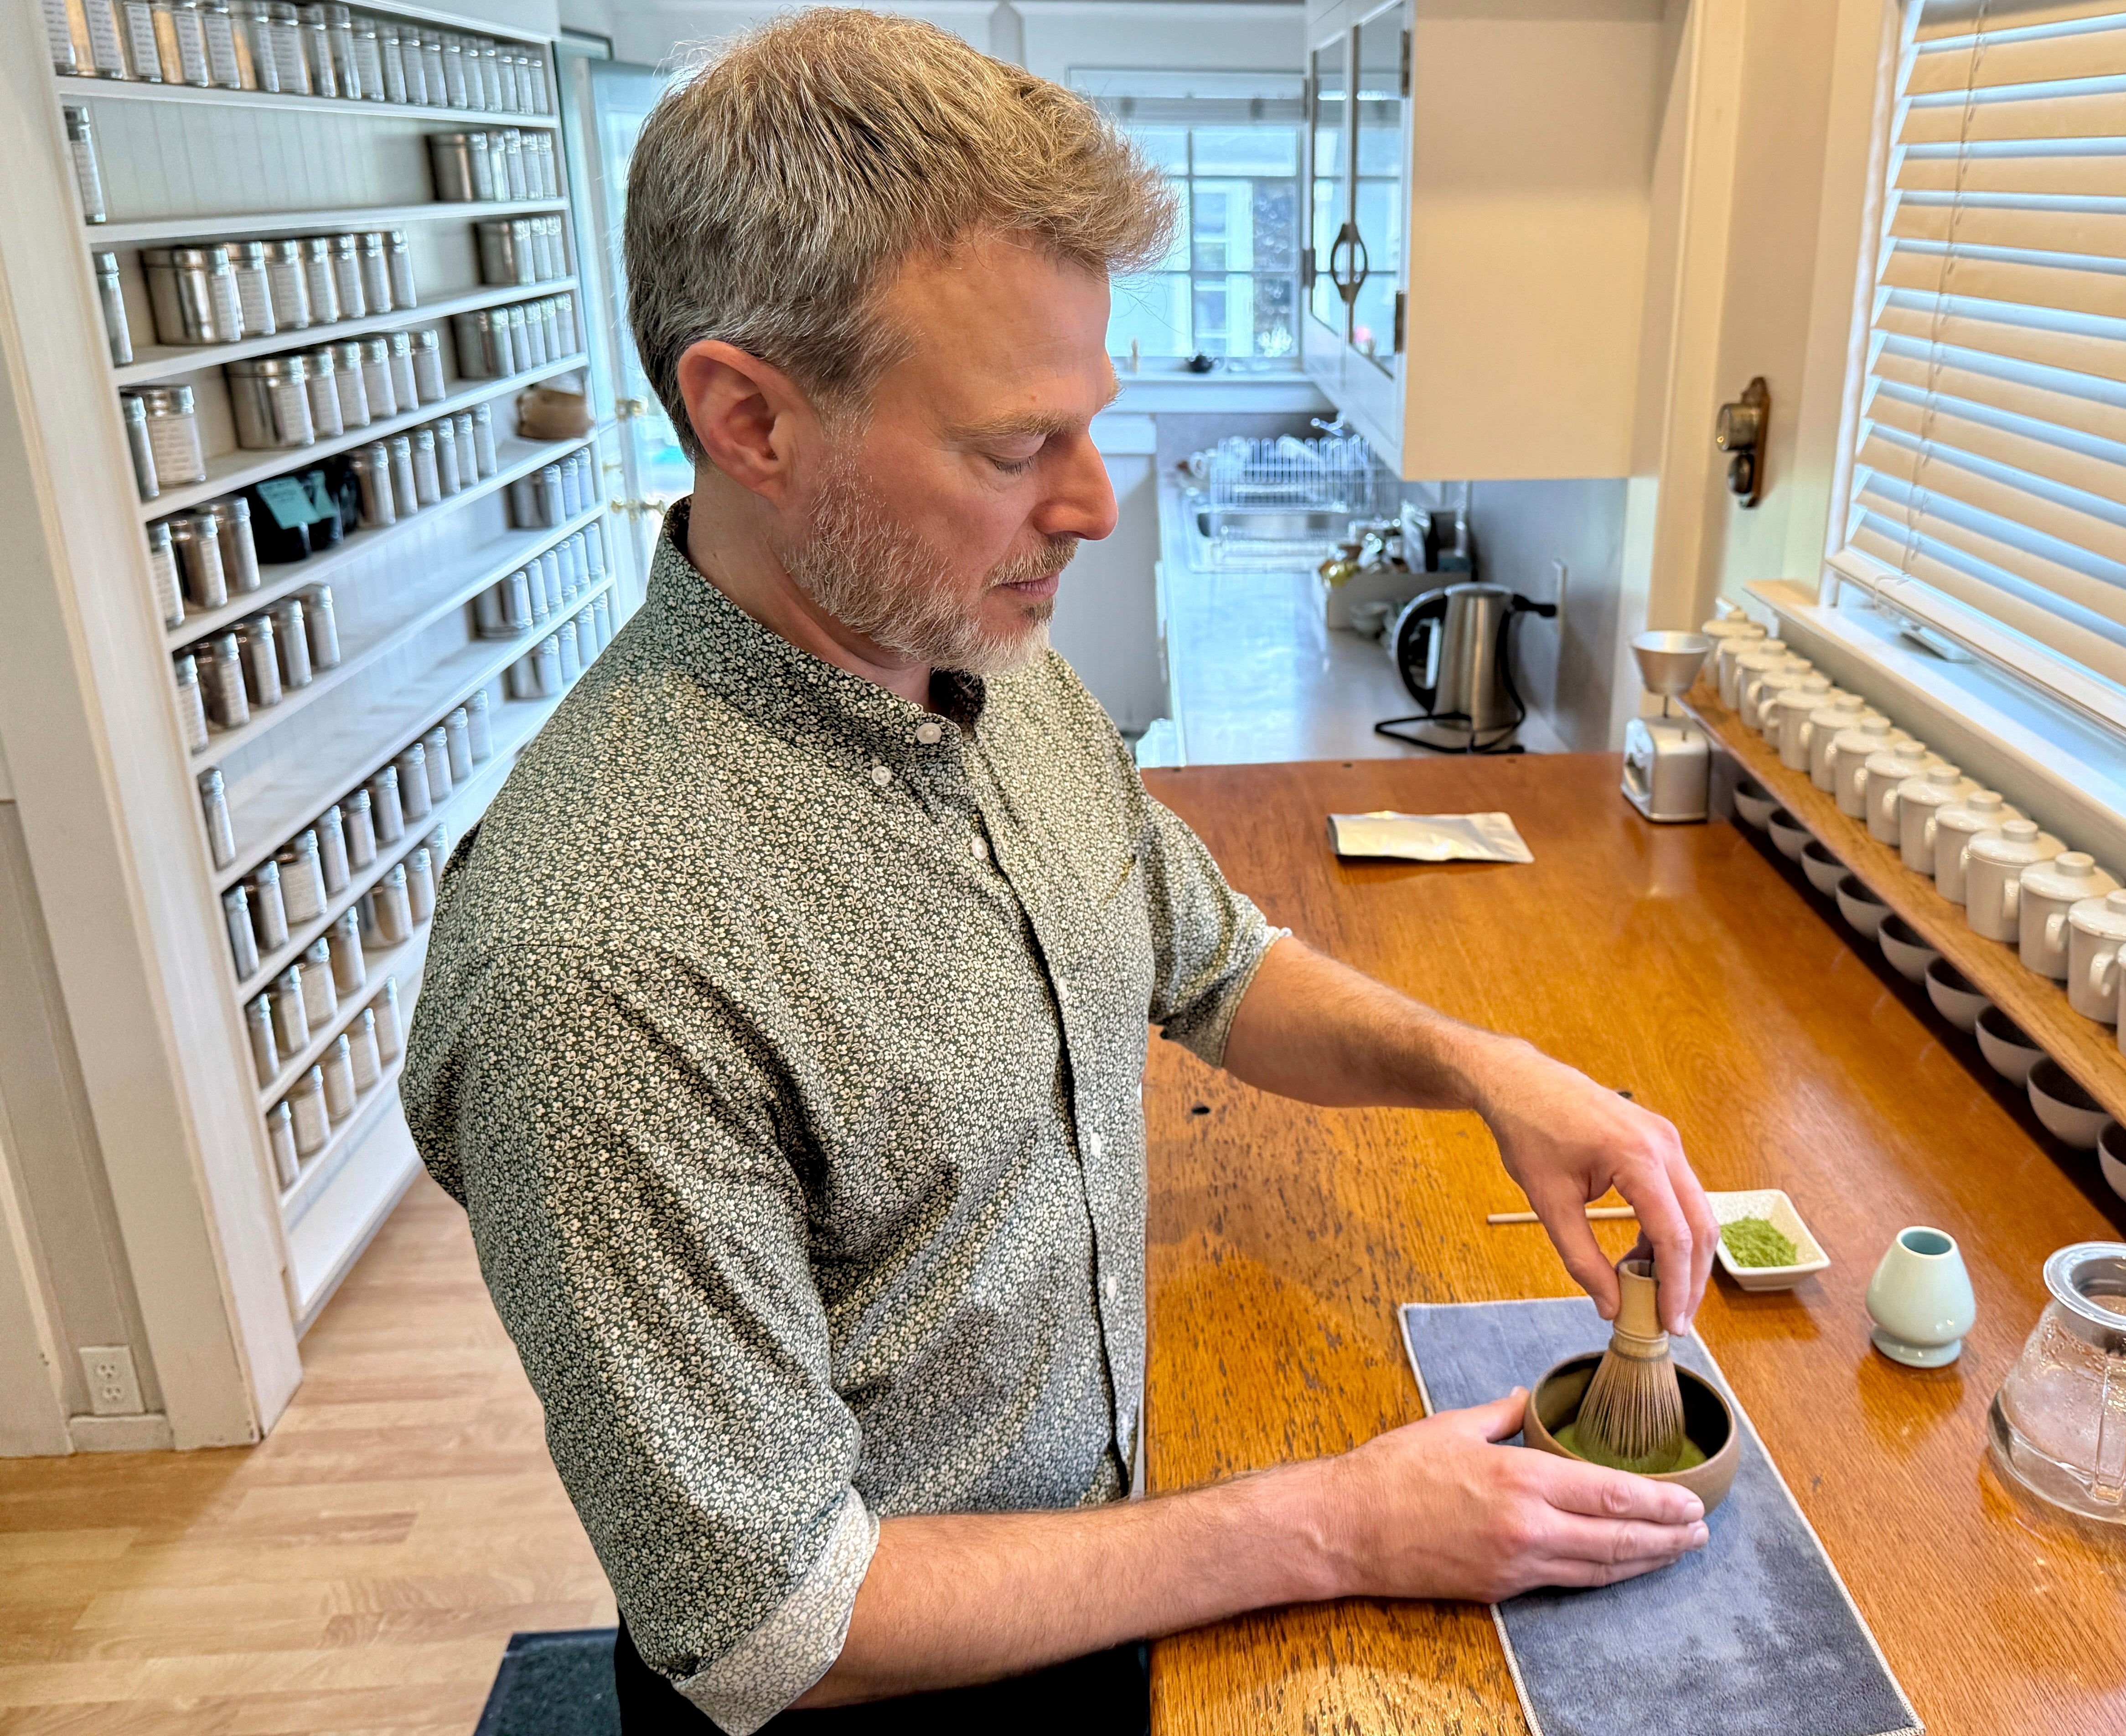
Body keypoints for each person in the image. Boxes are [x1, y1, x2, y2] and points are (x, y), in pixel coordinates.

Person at [400, 12, 1717, 1733]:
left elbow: (1204, 956)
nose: (1095, 503)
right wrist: (1334, 1523)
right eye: (1017, 447)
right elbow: (775, 1623)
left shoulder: (968, 653)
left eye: (1088, 424)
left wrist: (1488, 1071)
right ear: (749, 418)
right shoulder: (598, 962)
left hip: (1140, 1565)